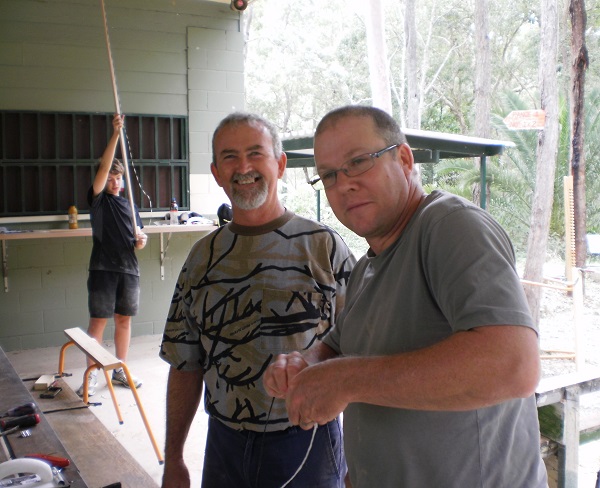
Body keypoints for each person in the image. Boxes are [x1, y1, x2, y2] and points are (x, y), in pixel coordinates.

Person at [263, 105, 549, 487]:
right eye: (329, 175)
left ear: (404, 158)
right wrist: (303, 364)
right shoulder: (368, 267)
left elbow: (514, 364)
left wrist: (344, 380)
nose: (344, 183)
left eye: (359, 162)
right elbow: (336, 347)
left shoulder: (449, 225)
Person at [159, 112, 356, 488]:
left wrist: (357, 464)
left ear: (280, 164)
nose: (243, 167)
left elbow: (361, 353)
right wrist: (174, 458)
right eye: (230, 156)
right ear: (216, 172)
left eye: (255, 153)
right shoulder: (201, 259)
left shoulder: (324, 247)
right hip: (224, 446)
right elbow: (184, 364)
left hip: (309, 443)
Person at [77, 113, 147, 397]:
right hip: (103, 269)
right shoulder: (98, 202)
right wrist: (116, 134)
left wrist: (141, 240)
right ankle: (93, 373)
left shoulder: (130, 205)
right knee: (98, 322)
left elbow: (138, 240)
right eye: (111, 179)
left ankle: (120, 369)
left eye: (119, 179)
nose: (115, 183)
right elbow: (104, 166)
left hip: (129, 270)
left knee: (124, 320)